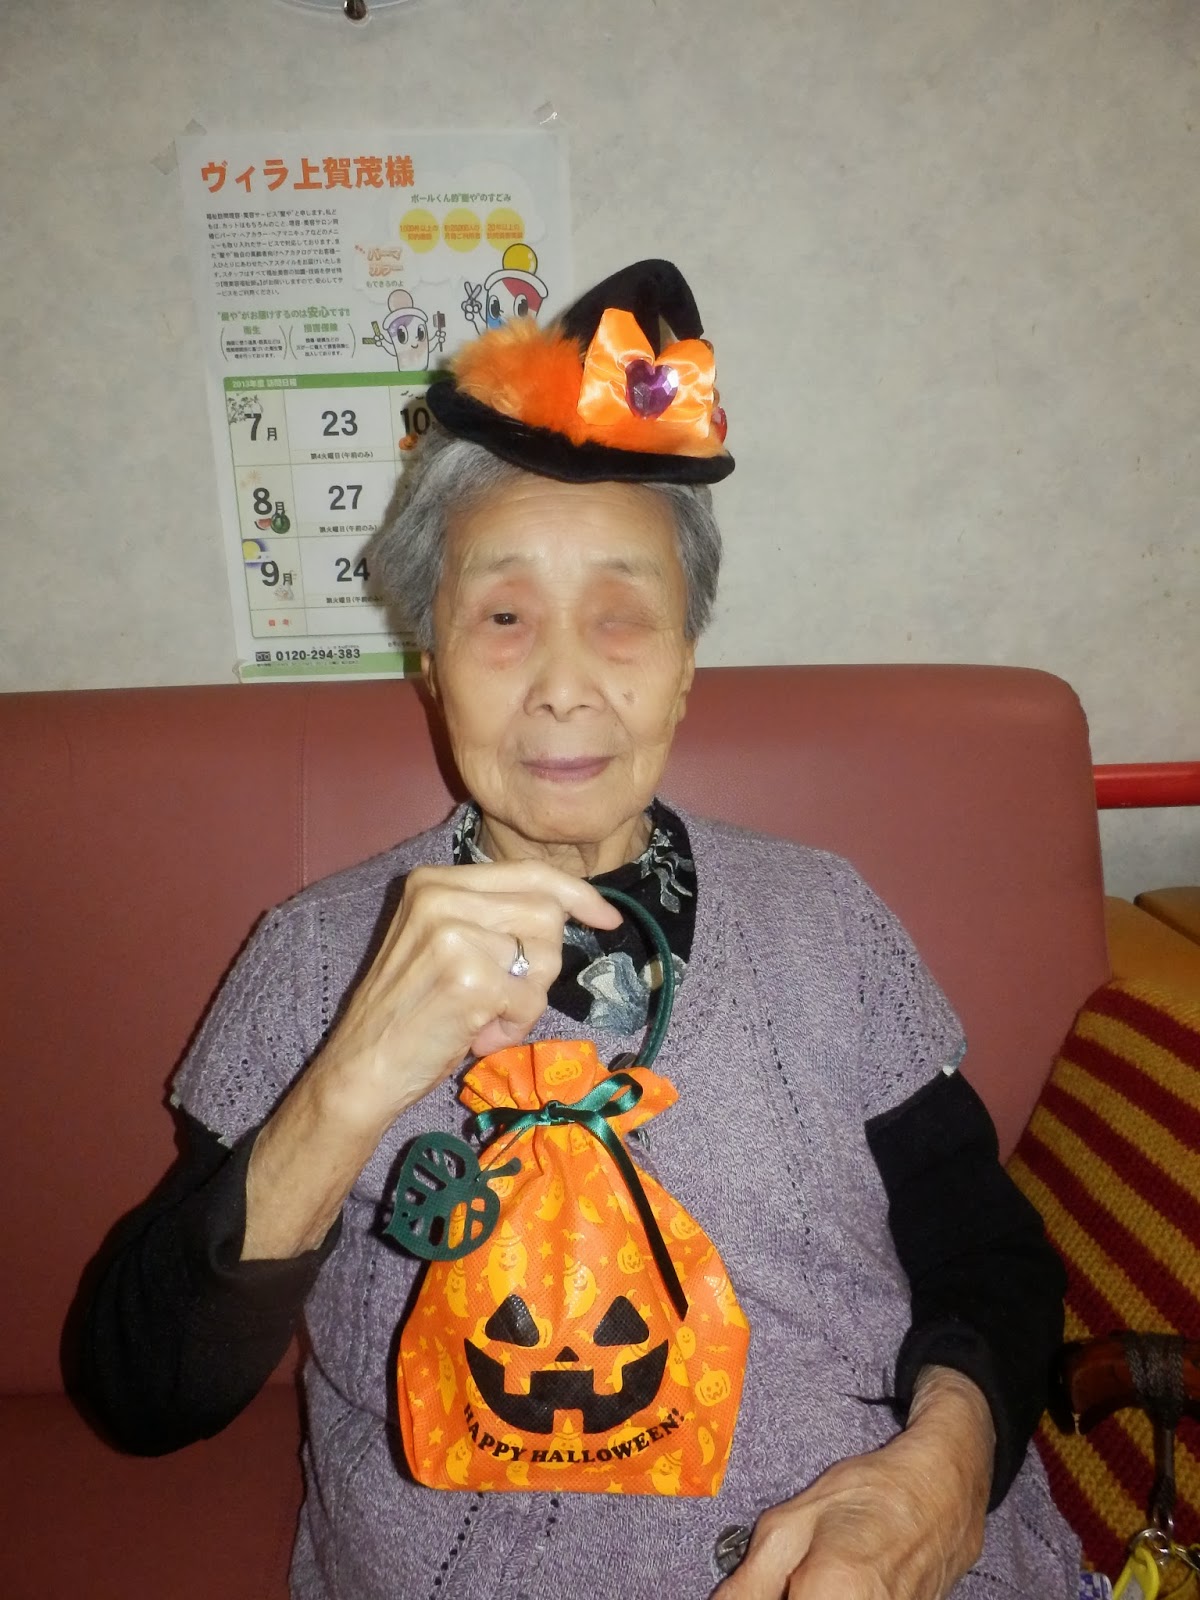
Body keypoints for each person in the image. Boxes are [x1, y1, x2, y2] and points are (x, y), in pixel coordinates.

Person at [80, 260, 1081, 1599]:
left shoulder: (827, 921)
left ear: (683, 669)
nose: (564, 684)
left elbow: (989, 1255)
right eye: (503, 618)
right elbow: (142, 1393)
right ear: (430, 665)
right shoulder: (312, 956)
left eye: (622, 619)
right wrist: (351, 1080)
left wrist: (941, 1479)